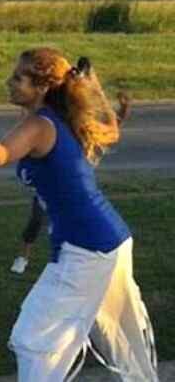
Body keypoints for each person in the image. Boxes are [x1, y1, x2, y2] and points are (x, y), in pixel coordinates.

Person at [0, 49, 156, 381]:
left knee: (34, 337)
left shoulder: (41, 124)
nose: (9, 81)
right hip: (103, 242)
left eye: (19, 77)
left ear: (42, 87)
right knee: (120, 337)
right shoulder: (52, 119)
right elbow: (109, 130)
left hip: (89, 248)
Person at [10, 90, 133, 274]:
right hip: (50, 195)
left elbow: (108, 130)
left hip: (87, 226)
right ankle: (23, 257)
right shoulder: (45, 128)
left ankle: (53, 259)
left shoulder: (74, 133)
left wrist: (123, 110)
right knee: (36, 222)